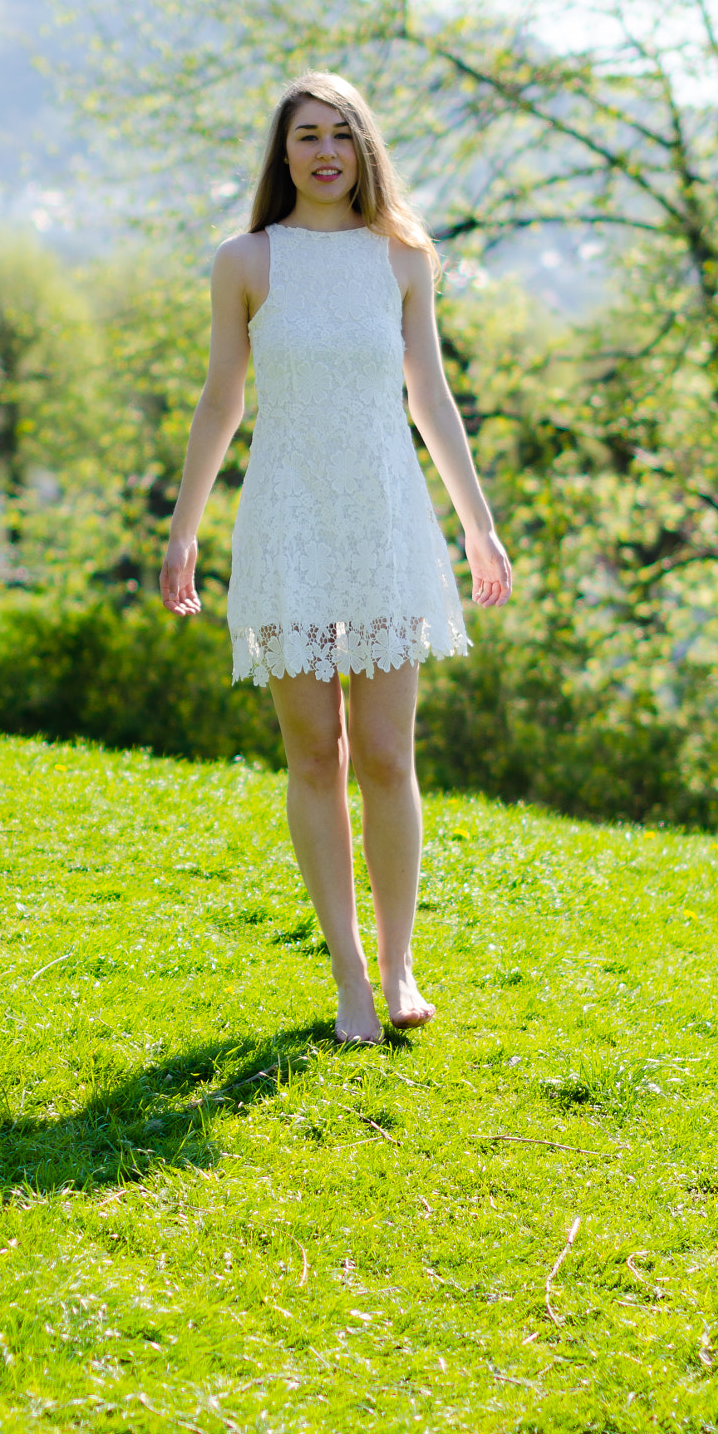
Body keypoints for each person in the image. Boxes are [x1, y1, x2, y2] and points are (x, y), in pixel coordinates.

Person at [161, 72, 512, 1044]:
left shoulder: (402, 256)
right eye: (307, 135)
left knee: (390, 753)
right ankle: (350, 974)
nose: (325, 151)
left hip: (387, 519)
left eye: (342, 135)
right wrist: (185, 527)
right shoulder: (246, 261)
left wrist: (477, 523)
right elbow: (220, 401)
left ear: (364, 150)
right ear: (283, 155)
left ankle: (401, 969)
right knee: (317, 752)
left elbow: (430, 397)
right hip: (288, 522)